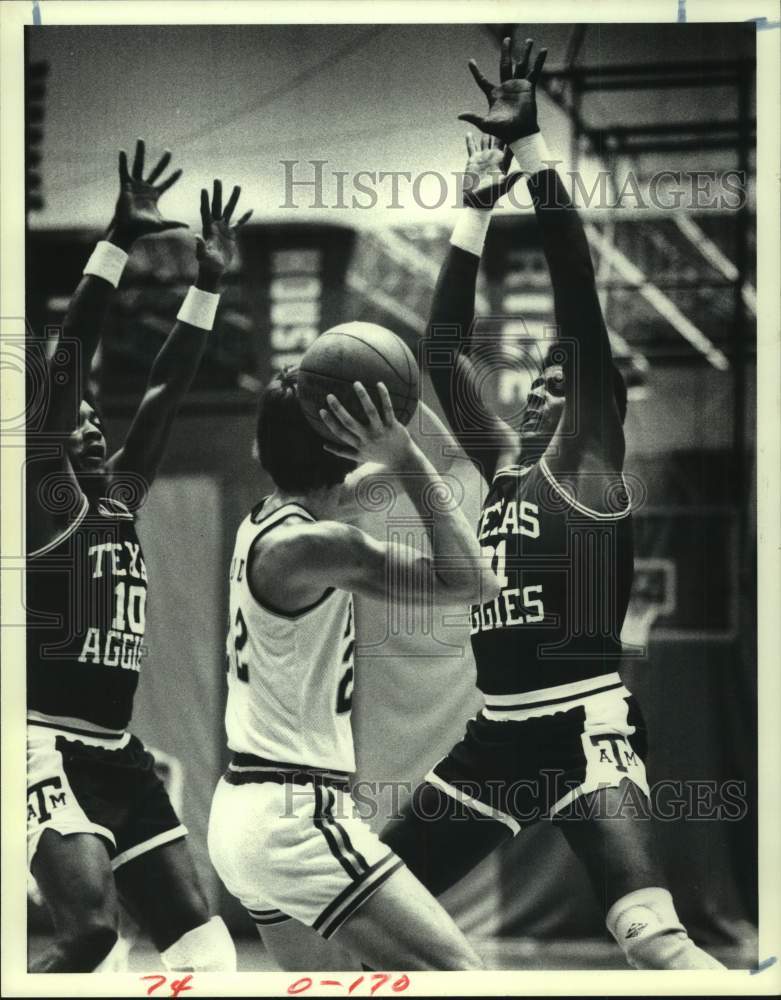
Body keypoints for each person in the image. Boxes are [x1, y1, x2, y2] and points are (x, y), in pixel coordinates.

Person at [379, 38, 725, 971]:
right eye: (539, 373)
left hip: (582, 727)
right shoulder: (498, 462)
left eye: (566, 376)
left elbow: (579, 295)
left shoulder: (588, 457)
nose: (546, 382)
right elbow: (441, 348)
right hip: (494, 735)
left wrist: (533, 156)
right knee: (366, 908)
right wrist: (472, 210)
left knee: (652, 940)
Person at [26, 139, 251, 972]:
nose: (86, 419)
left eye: (94, 414)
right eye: (73, 414)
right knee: (89, 937)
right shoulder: (44, 500)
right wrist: (117, 241)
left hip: (116, 750)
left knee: (207, 952)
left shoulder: (118, 497)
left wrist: (209, 284)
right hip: (39, 740)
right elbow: (68, 359)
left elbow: (163, 392)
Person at [207, 368, 500, 970]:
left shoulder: (267, 518)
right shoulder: (318, 546)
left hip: (244, 813)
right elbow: (476, 581)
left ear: (261, 450)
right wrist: (401, 452)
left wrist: (399, 412)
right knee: (464, 977)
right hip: (295, 816)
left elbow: (431, 460)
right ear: (339, 452)